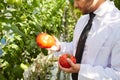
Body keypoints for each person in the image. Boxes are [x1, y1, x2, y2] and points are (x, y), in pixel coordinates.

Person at [48, 0, 120, 80]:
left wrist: (82, 70)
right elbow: (77, 47)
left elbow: (117, 75)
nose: (75, 5)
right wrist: (60, 47)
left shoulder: (117, 24)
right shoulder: (83, 20)